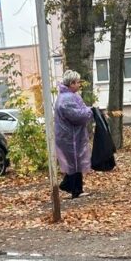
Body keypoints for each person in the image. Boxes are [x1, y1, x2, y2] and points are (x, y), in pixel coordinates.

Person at [54, 70, 94, 199]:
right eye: (77, 82)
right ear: (71, 83)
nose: (79, 85)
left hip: (71, 135)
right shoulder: (67, 99)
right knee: (75, 163)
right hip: (70, 137)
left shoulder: (68, 96)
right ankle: (75, 189)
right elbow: (77, 115)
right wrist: (90, 111)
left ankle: (70, 185)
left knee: (74, 162)